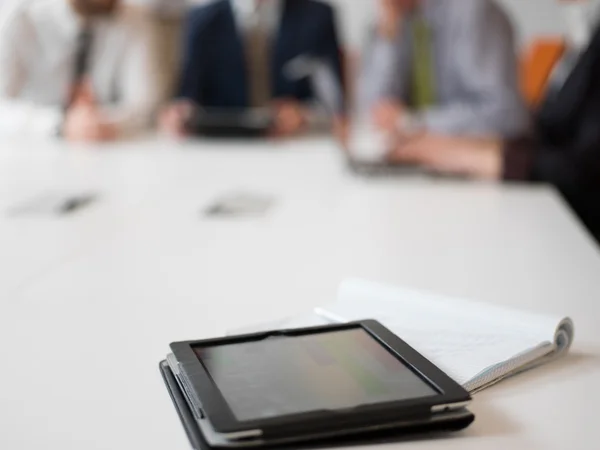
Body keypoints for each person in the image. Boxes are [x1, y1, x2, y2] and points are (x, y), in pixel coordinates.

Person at [390, 12, 600, 243]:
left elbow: (583, 169)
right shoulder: (582, 35)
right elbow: (548, 134)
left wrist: (482, 158)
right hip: (554, 226)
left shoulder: (473, 14)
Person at [161, 0, 345, 138]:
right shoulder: (201, 21)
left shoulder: (318, 17)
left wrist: (304, 114)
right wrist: (179, 114)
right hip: (222, 149)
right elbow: (187, 96)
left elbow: (334, 104)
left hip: (295, 146)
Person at [359, 0, 529, 141]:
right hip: (418, 159)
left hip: (470, 162)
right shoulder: (393, 19)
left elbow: (505, 115)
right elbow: (374, 111)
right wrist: (389, 36)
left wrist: (413, 123)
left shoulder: (474, 12)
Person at [0, 0, 161, 142]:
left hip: (105, 150)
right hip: (30, 148)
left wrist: (103, 121)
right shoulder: (20, 17)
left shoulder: (133, 18)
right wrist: (59, 124)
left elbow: (144, 104)